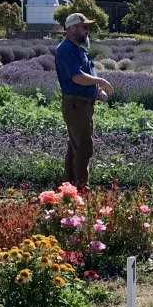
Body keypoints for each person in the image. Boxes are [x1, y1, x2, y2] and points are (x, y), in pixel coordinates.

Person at [54, 12, 112, 189]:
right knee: (83, 148)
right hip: (76, 105)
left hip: (81, 105)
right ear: (72, 29)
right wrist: (100, 81)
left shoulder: (78, 49)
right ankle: (81, 190)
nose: (87, 31)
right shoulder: (66, 49)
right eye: (84, 27)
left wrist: (97, 91)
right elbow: (77, 77)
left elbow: (86, 76)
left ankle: (69, 189)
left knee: (75, 148)